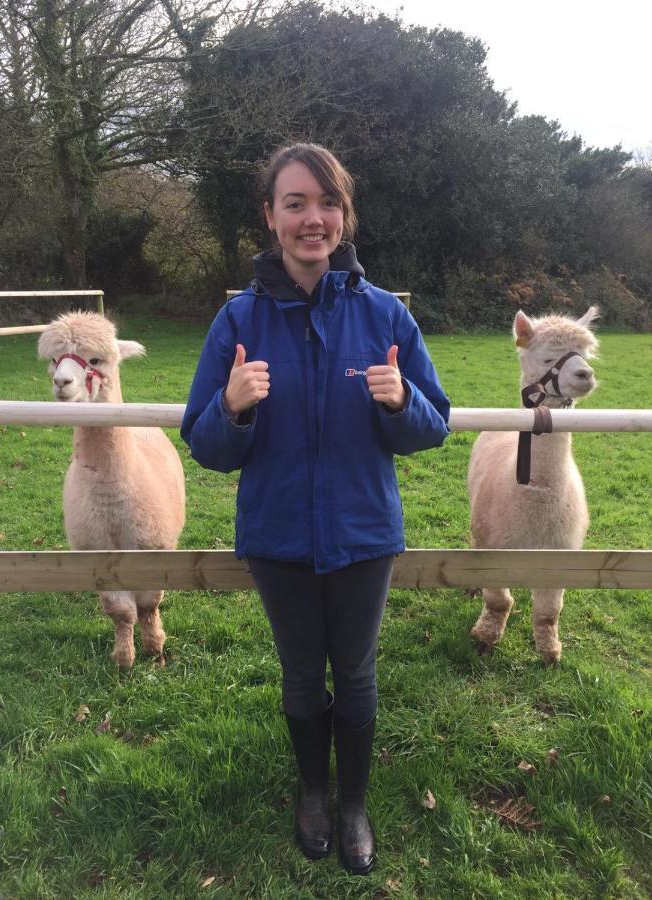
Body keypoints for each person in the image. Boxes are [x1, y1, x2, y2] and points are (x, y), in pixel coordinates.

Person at [181, 143, 450, 875]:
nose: (312, 218)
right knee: (302, 675)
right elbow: (204, 444)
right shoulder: (236, 321)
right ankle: (311, 792)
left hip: (364, 532)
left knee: (356, 676)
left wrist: (402, 402)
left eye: (326, 203)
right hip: (275, 536)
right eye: (294, 203)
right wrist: (232, 411)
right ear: (269, 217)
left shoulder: (383, 314)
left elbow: (434, 425)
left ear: (343, 215)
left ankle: (354, 803)